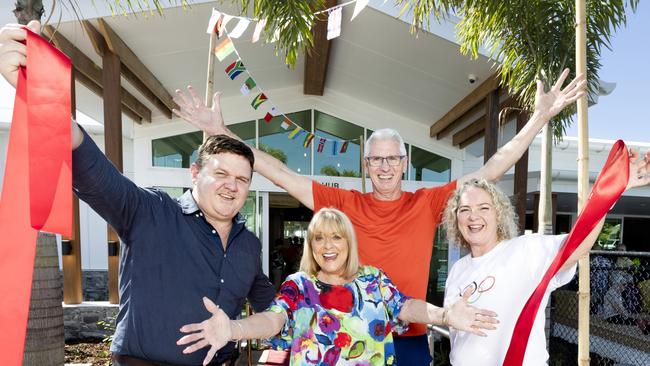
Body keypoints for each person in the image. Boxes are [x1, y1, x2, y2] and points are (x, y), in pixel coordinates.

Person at [173, 69, 586, 363]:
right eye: (376, 160)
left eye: (392, 159)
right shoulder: (345, 204)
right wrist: (222, 131)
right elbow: (279, 172)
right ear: (366, 165)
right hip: (348, 338)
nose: (385, 167)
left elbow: (492, 167)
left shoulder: (427, 202)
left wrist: (538, 118)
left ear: (404, 163)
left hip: (408, 341)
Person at [0, 21, 275, 365]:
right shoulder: (150, 211)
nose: (232, 185)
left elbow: (276, 308)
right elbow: (92, 169)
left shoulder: (248, 245)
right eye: (220, 173)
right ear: (194, 173)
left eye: (242, 179)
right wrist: (39, 92)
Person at [177, 208, 499, 365]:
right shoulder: (299, 286)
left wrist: (445, 315)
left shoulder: (373, 279)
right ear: (310, 245)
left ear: (349, 242)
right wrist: (233, 329)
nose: (327, 246)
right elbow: (273, 319)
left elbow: (405, 306)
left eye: (336, 237)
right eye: (319, 237)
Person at [442, 149, 650, 366]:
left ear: (498, 214)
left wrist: (614, 187)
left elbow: (577, 243)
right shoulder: (458, 270)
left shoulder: (526, 251)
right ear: (456, 219)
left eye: (483, 208)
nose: (473, 216)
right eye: (464, 209)